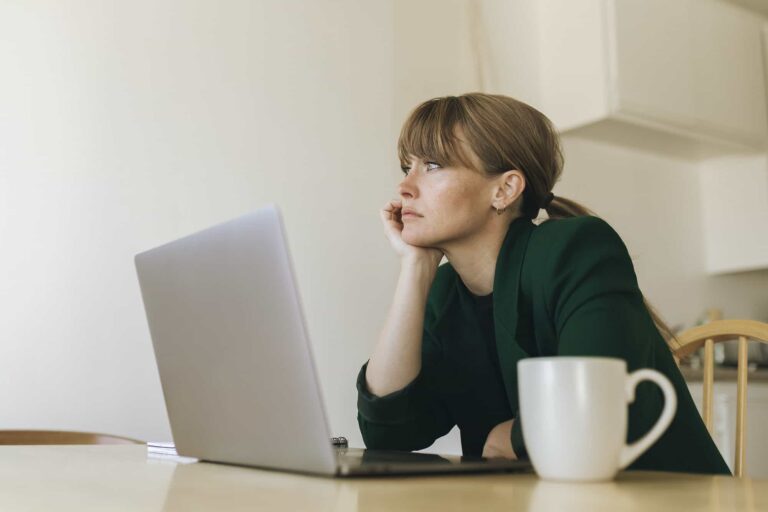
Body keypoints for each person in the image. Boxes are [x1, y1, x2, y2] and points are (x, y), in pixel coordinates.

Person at [356, 92, 730, 474]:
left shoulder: (576, 249)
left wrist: (512, 437)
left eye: (432, 165)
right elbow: (388, 433)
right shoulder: (445, 289)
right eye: (407, 166)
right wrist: (415, 266)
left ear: (504, 189)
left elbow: (595, 404)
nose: (405, 187)